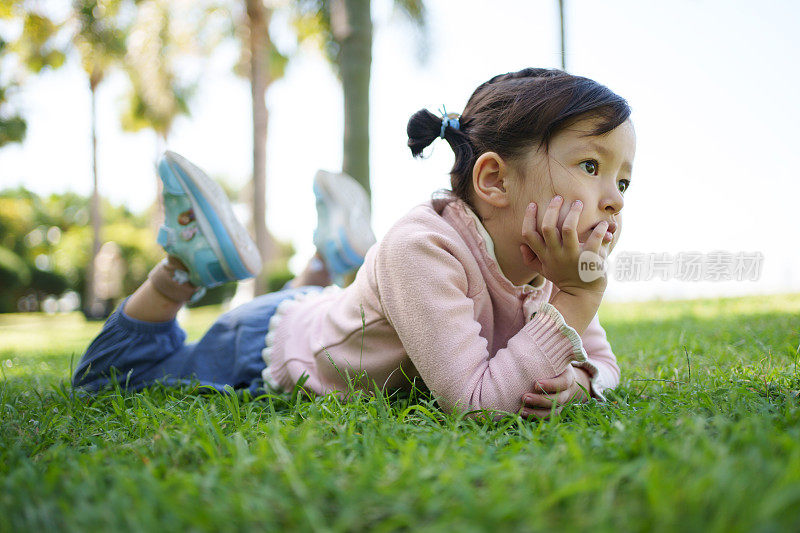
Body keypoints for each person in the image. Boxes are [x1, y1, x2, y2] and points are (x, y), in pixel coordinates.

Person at [73, 67, 633, 419]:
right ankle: (183, 267)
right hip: (261, 348)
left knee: (336, 312)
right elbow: (477, 402)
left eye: (623, 180)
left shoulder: (552, 270)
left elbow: (601, 363)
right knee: (105, 384)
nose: (615, 199)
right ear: (493, 181)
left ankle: (328, 255)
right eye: (591, 165)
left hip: (317, 313)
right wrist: (578, 302)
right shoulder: (424, 247)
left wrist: (583, 382)